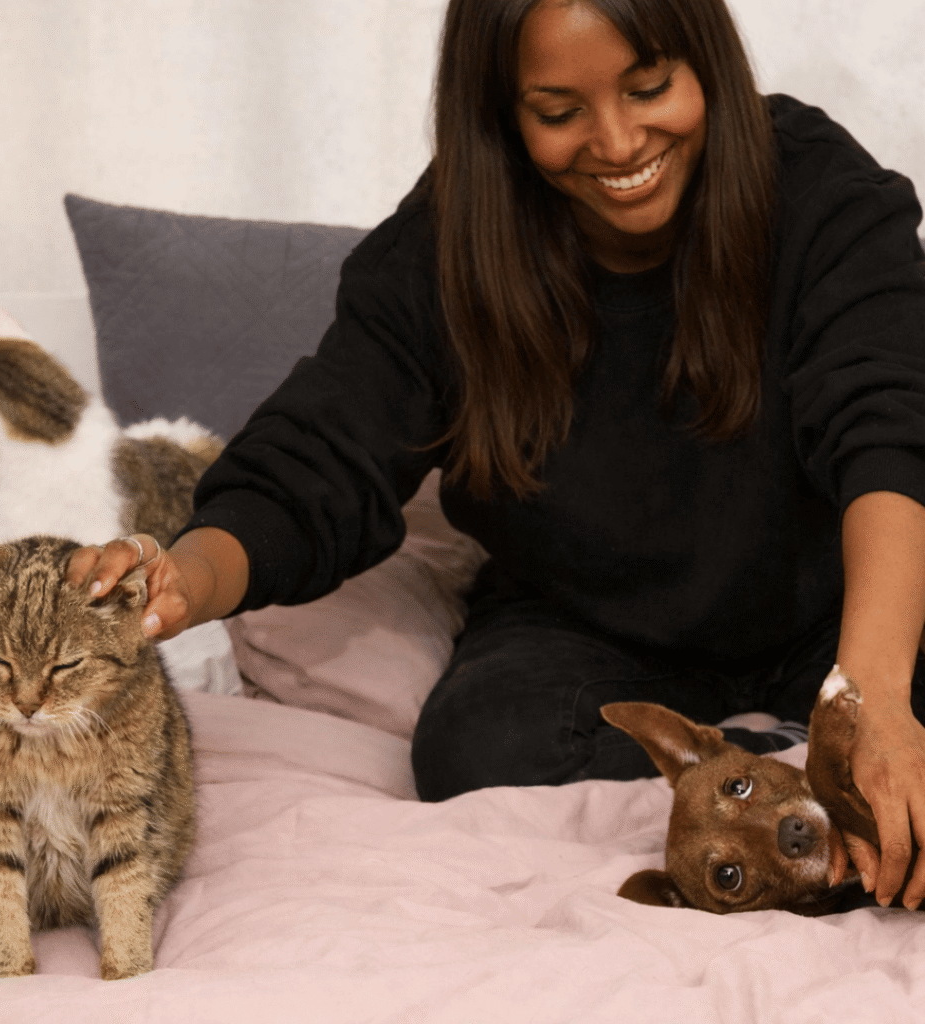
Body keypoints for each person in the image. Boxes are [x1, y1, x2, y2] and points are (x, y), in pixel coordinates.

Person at [69, 0, 925, 911]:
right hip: (587, 625)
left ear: (706, 63)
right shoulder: (448, 245)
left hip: (836, 607)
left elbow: (890, 425)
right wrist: (183, 578)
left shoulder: (814, 184)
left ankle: (803, 765)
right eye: (559, 112)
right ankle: (768, 775)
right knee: (477, 742)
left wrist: (867, 695)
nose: (618, 142)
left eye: (649, 89)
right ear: (502, 113)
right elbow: (318, 455)